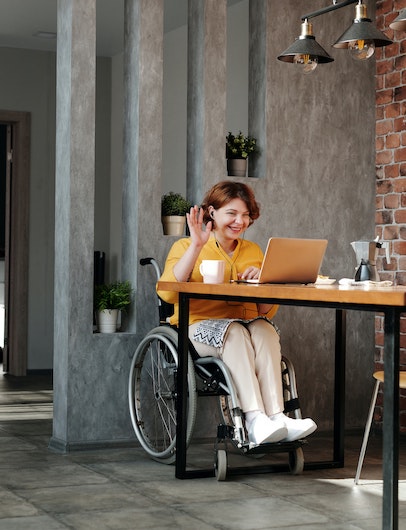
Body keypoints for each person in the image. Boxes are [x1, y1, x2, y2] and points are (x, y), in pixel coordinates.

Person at [157, 181, 316, 446]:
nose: (239, 221)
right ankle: (254, 419)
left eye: (245, 215)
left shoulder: (253, 252)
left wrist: (262, 283)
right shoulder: (186, 246)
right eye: (231, 213)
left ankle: (277, 417)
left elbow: (265, 311)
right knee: (236, 331)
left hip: (244, 326)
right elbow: (168, 294)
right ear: (212, 212)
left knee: (264, 328)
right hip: (196, 328)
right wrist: (196, 246)